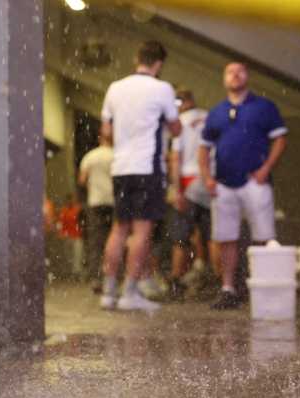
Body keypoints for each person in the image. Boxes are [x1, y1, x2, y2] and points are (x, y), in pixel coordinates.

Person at [98, 40, 182, 311]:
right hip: (147, 167)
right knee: (142, 231)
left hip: (121, 168)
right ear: (158, 64)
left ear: (137, 58)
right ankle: (129, 293)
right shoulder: (162, 88)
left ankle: (108, 292)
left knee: (119, 229)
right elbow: (176, 128)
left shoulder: (115, 88)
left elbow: (107, 132)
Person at [198, 62, 288, 310]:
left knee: (265, 236)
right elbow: (203, 148)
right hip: (224, 184)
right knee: (226, 238)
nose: (235, 75)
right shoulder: (216, 112)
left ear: (248, 76)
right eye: (229, 72)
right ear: (224, 78)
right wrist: (207, 177)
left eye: (240, 71)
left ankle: (266, 288)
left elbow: (280, 139)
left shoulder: (264, 107)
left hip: (255, 181)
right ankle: (228, 289)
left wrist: (266, 168)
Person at [167, 89, 213, 300]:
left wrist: (177, 190)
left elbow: (176, 158)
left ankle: (176, 283)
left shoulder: (179, 122)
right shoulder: (211, 117)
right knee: (212, 235)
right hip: (210, 179)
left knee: (181, 237)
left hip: (187, 180)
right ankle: (217, 280)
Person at [78, 133, 114, 293]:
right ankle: (112, 277)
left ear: (100, 139)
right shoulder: (116, 155)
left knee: (95, 241)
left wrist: (93, 189)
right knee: (113, 240)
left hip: (95, 202)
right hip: (113, 202)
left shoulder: (90, 157)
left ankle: (96, 278)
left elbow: (82, 180)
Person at [58, 193, 84, 279]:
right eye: (68, 200)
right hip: (68, 237)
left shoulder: (78, 209)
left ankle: (77, 272)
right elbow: (61, 224)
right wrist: (62, 234)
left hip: (77, 236)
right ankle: (71, 272)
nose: (69, 202)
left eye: (71, 200)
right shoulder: (64, 211)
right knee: (69, 255)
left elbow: (82, 222)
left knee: (78, 254)